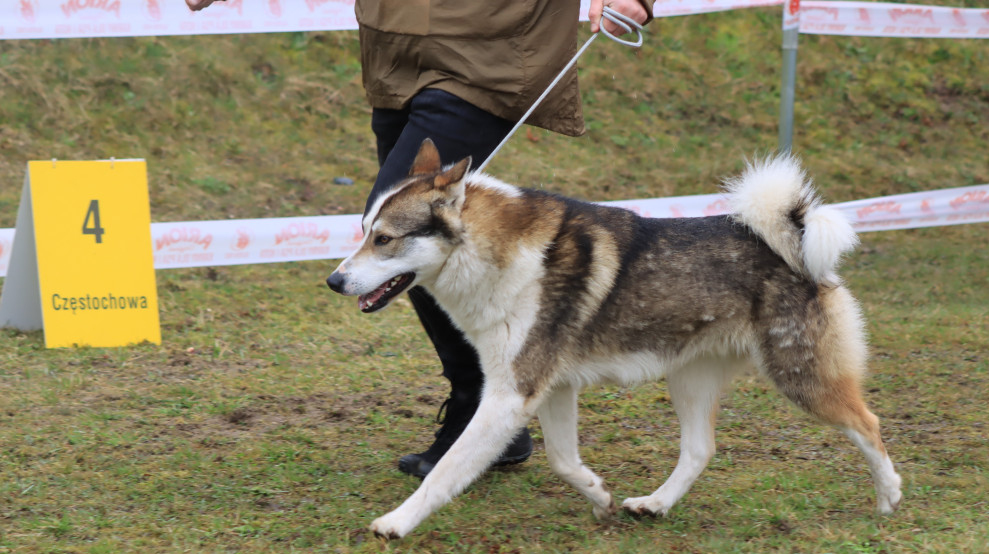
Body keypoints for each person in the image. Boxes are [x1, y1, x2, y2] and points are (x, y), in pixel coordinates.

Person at [186, 0, 654, 478]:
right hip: (394, 49)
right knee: (414, 230)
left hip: (486, 48)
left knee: (402, 225)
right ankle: (498, 408)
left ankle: (487, 403)